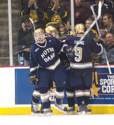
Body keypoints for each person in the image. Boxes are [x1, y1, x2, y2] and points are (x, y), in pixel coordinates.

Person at [29, 28, 72, 115]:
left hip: (56, 66)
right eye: (37, 35)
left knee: (61, 85)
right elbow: (33, 64)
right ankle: (45, 107)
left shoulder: (51, 40)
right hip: (44, 69)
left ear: (44, 34)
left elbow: (61, 47)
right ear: (34, 37)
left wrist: (66, 48)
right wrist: (33, 75)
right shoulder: (34, 49)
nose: (39, 36)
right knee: (42, 88)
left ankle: (58, 104)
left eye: (40, 34)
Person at [65, 23, 104, 114]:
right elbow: (99, 50)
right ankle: (86, 105)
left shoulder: (70, 39)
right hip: (87, 67)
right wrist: (101, 42)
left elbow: (63, 47)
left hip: (75, 67)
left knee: (78, 87)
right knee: (86, 87)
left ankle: (80, 106)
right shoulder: (89, 39)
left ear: (75, 30)